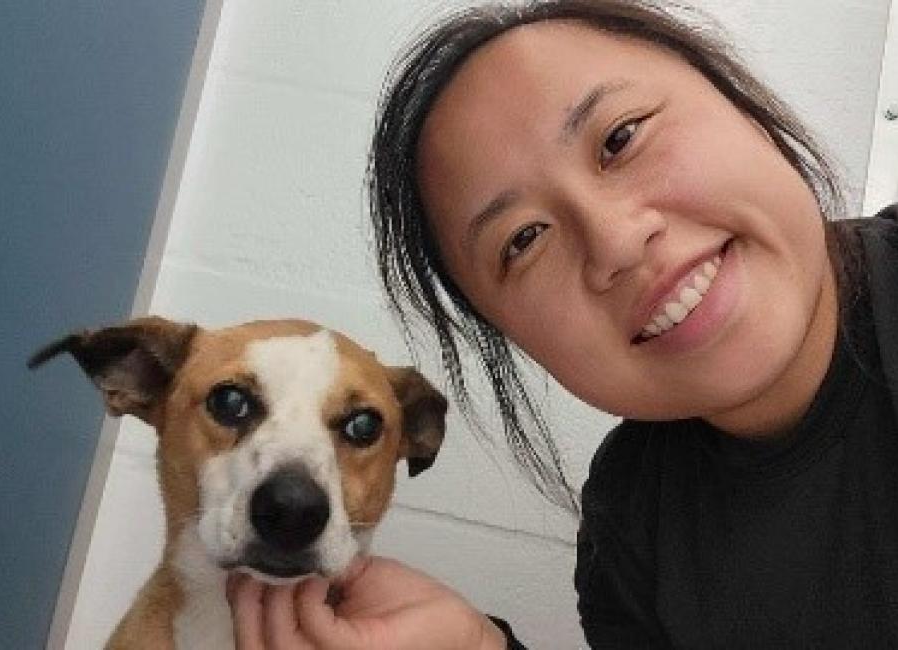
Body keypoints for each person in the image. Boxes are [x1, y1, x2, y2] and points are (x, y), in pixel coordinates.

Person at [228, 0, 898, 647]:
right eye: (523, 240)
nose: (615, 242)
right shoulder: (631, 536)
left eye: (621, 137)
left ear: (738, 101)